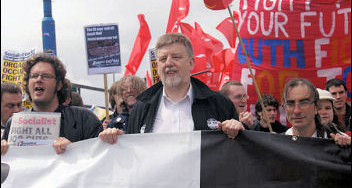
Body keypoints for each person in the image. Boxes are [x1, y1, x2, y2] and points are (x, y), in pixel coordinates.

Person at [99, 33, 244, 144]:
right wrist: (115, 140)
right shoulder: (141, 109)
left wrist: (238, 131)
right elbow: (132, 159)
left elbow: (238, 153)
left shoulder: (219, 104)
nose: (168, 63)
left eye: (176, 57)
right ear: (157, 66)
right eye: (163, 59)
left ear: (191, 63)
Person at [1, 53, 103, 155]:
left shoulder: (83, 119)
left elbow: (99, 159)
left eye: (45, 76)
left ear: (58, 85)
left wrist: (73, 151)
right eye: (34, 76)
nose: (38, 79)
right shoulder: (15, 123)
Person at [282, 78, 350, 146]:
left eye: (304, 103)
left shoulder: (341, 142)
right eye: (290, 104)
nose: (296, 111)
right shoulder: (280, 144)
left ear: (315, 107)